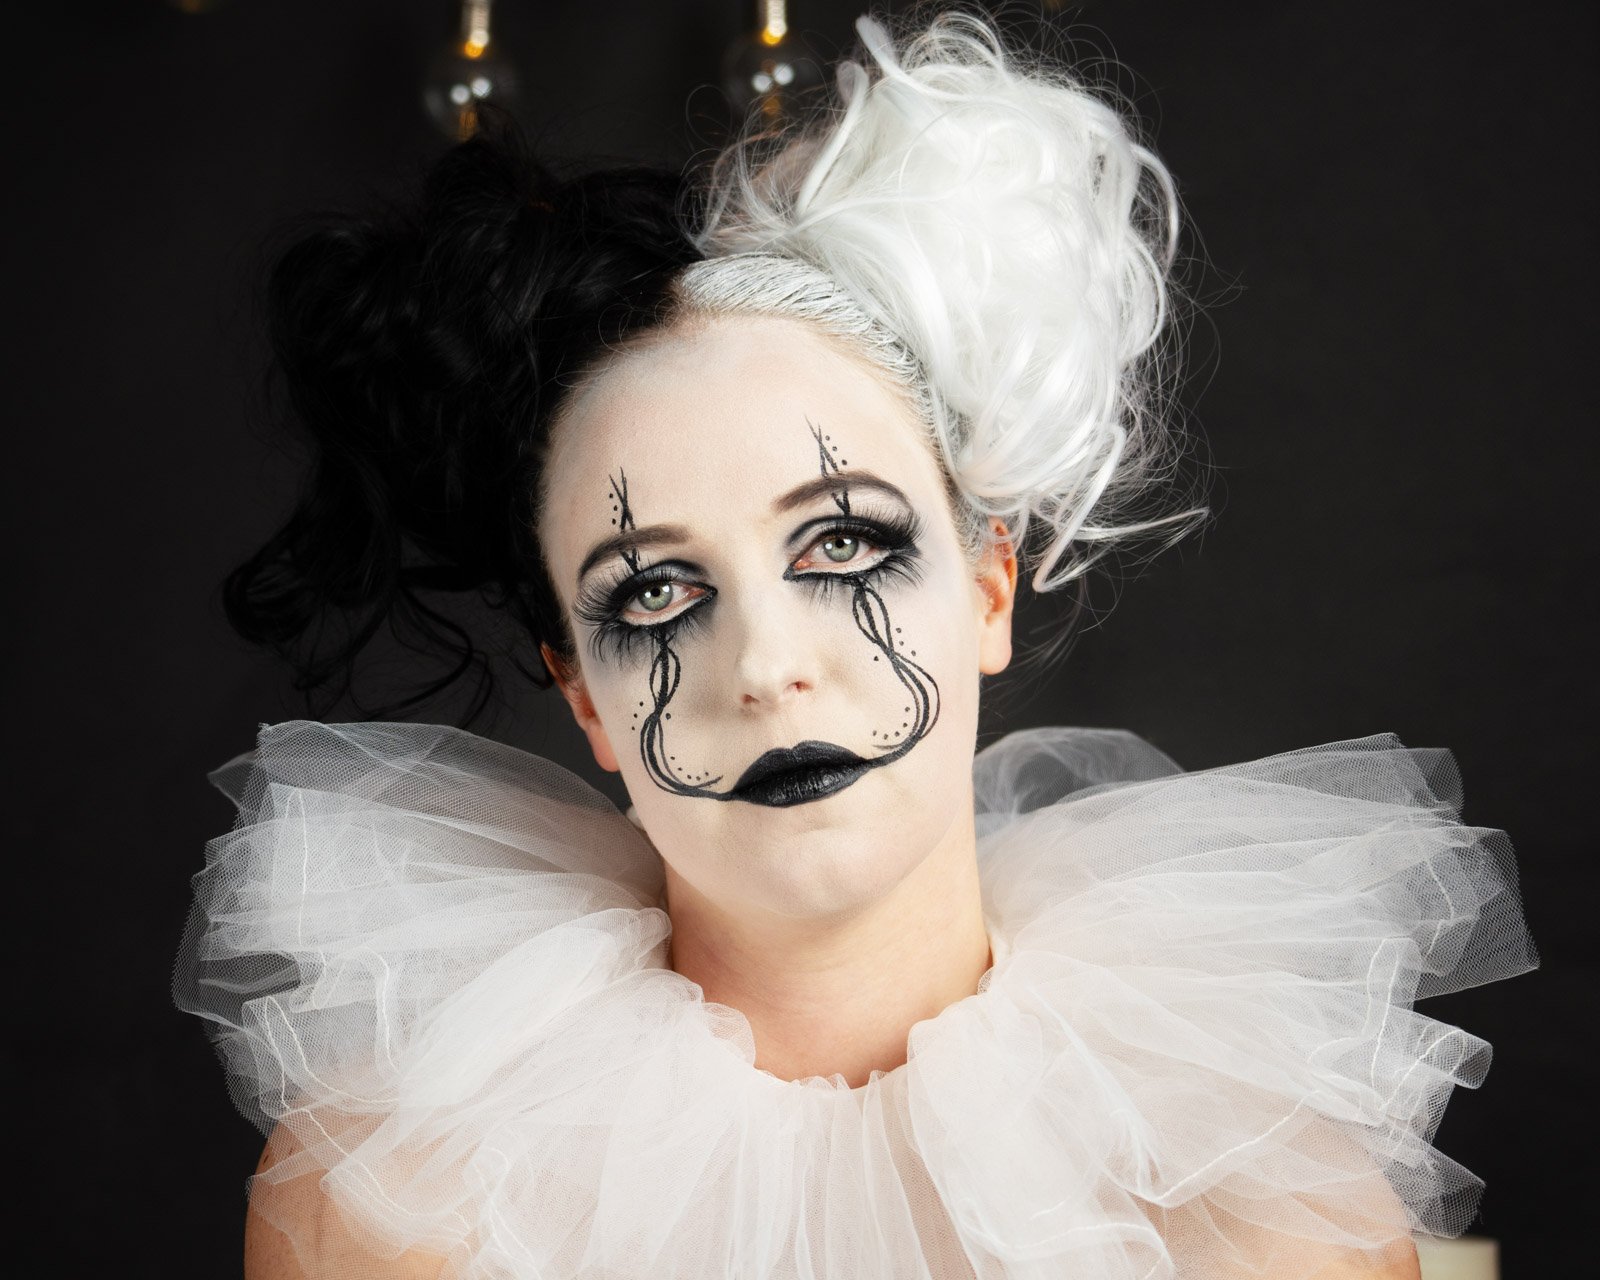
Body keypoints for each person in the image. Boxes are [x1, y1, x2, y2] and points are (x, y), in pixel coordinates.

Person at [173, 11, 1538, 1279]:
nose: (766, 668)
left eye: (841, 547)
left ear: (989, 585)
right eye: (654, 595)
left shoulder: (1258, 1206)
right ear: (582, 695)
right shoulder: (395, 1206)